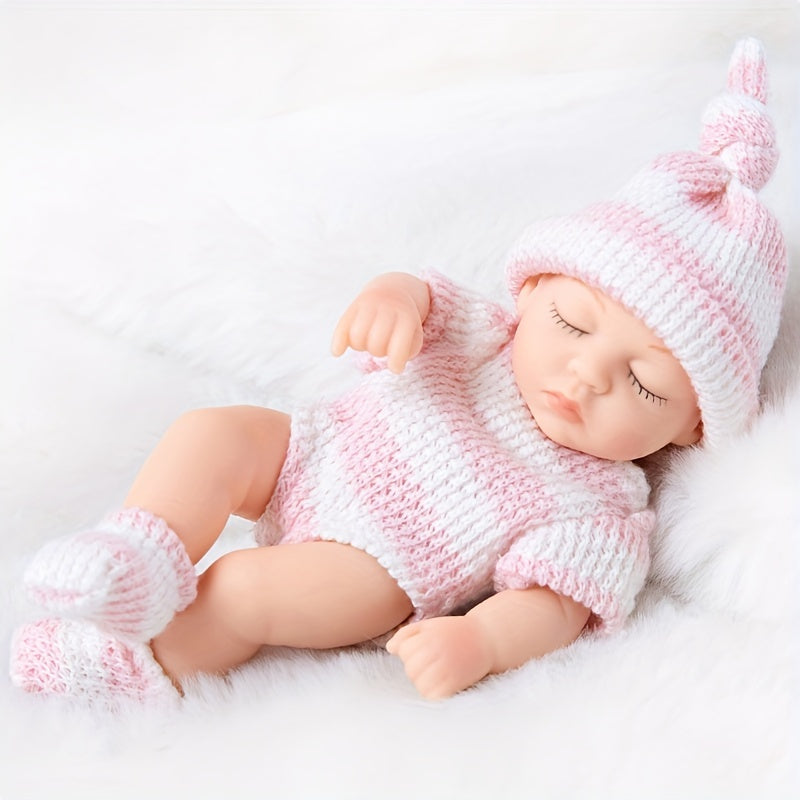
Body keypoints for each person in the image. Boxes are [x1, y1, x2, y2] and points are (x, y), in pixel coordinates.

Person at [9, 38, 787, 708]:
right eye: (572, 324)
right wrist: (390, 299)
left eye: (645, 384)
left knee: (244, 589)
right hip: (309, 453)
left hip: (370, 569)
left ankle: (133, 664)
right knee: (212, 433)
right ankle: (141, 552)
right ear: (533, 291)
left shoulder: (602, 505)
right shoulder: (487, 335)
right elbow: (420, 294)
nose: (585, 374)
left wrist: (481, 641)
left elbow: (554, 603)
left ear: (693, 424)